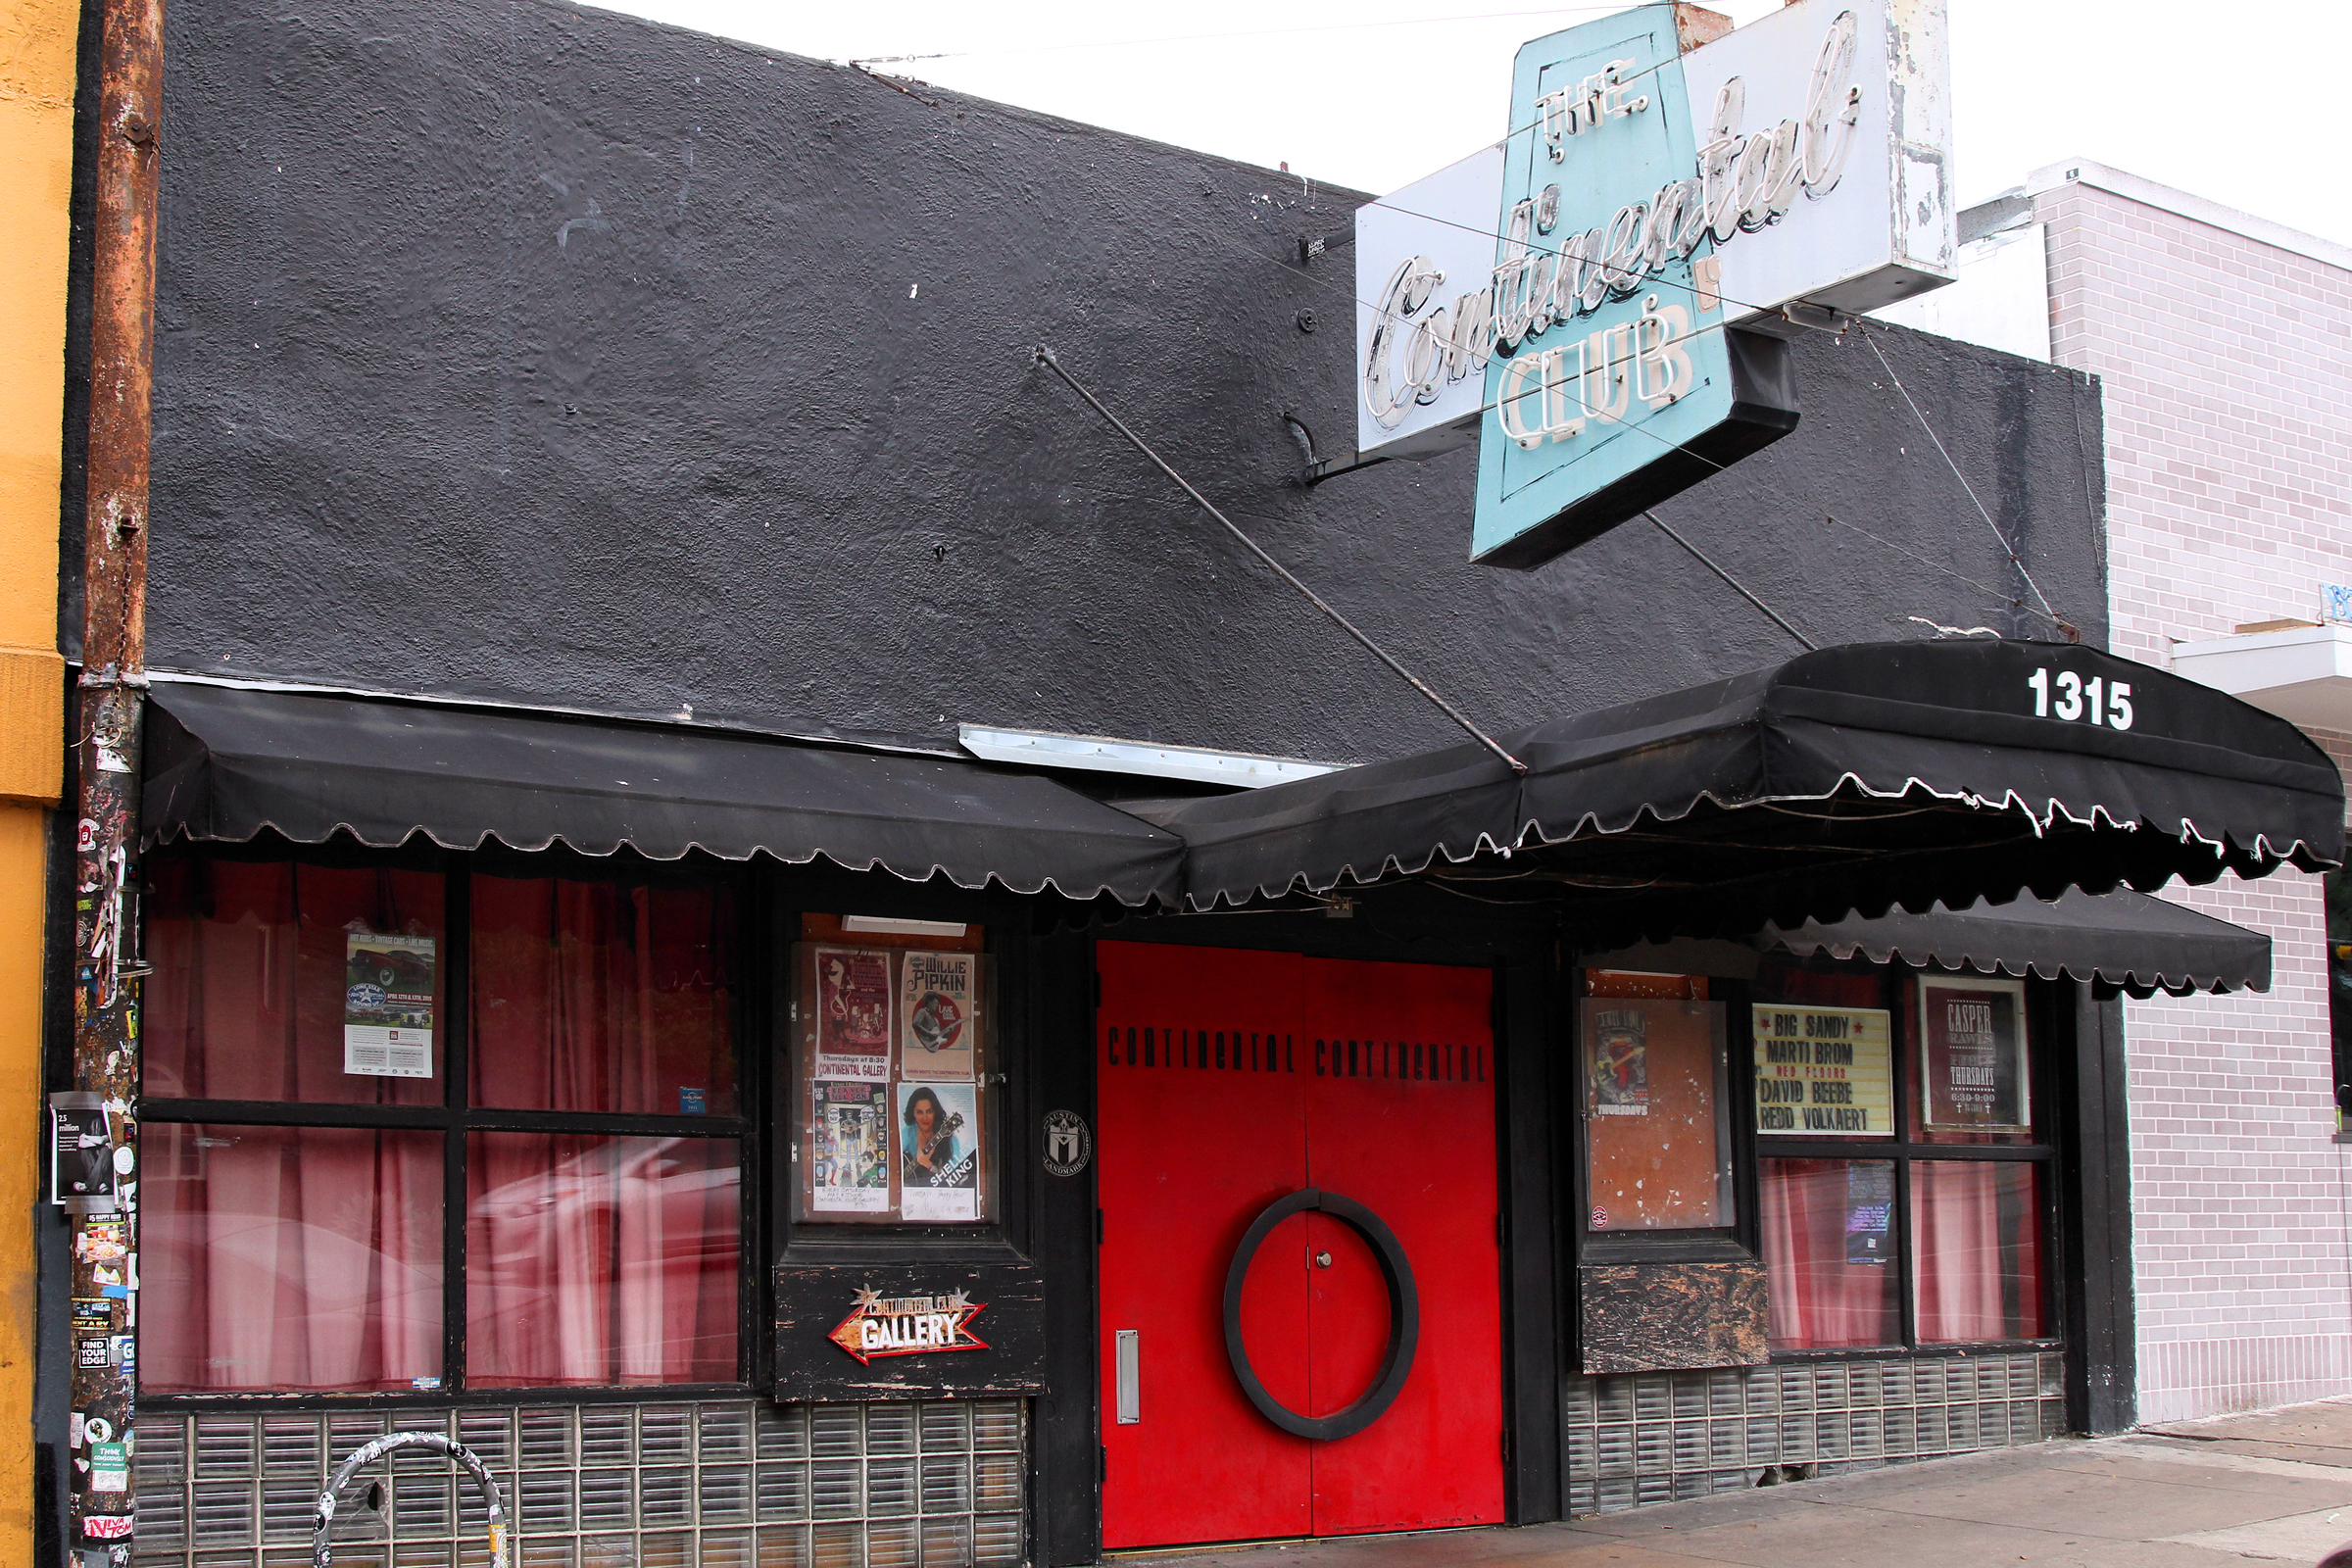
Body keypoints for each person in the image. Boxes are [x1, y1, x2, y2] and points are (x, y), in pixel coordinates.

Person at [902, 1087, 960, 1185]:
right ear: (913, 1113)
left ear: (935, 1112)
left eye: (929, 1111)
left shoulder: (950, 1139)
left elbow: (953, 1176)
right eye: (919, 1112)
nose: (925, 1117)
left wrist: (929, 1165)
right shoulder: (908, 1132)